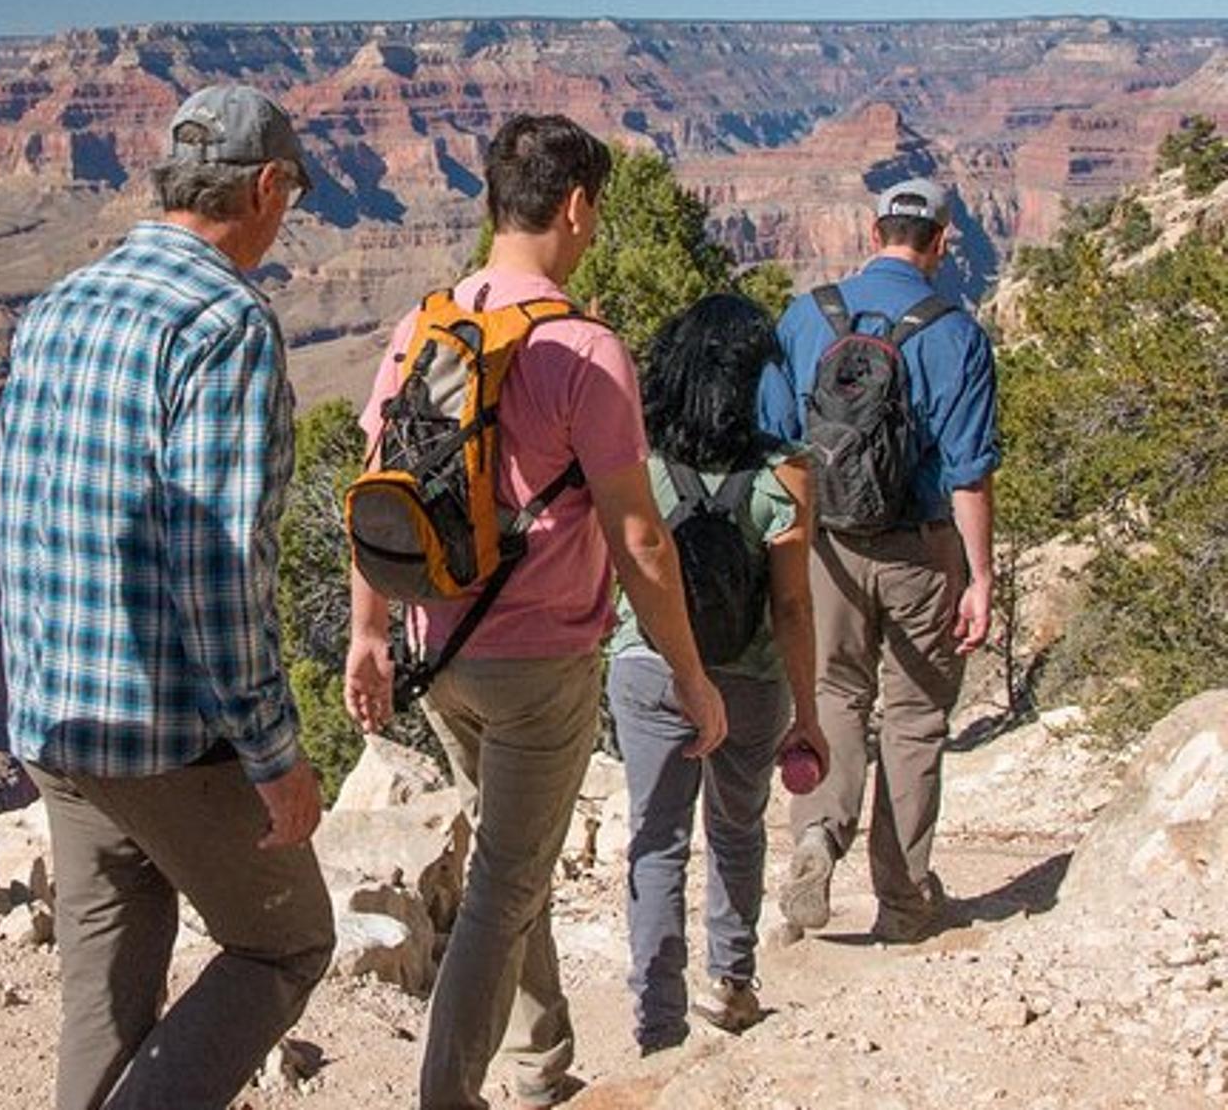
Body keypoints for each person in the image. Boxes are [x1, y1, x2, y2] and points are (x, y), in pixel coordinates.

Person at [345, 114, 727, 1110]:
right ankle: (448, 1093)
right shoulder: (583, 349)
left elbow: (375, 487)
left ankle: (537, 1066)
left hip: (436, 649)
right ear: (572, 205)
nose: (595, 225)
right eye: (593, 208)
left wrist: (368, 634)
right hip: (536, 670)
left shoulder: (420, 324)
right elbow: (639, 537)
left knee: (512, 861)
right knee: (503, 886)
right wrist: (690, 676)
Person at [0, 84, 334, 1110]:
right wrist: (274, 755)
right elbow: (219, 565)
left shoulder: (59, 302)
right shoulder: (224, 322)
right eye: (293, 196)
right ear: (266, 186)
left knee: (103, 993)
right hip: (163, 734)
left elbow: (23, 505)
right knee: (284, 944)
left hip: (55, 715)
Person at [758, 177, 1001, 942]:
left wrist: (782, 544)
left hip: (825, 544)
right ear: (939, 242)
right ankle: (902, 900)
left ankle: (815, 838)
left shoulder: (806, 317)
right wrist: (981, 574)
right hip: (921, 550)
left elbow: (772, 438)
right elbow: (968, 471)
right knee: (916, 716)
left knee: (830, 694)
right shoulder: (956, 334)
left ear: (873, 233)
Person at [605, 294, 830, 1054]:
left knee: (656, 841)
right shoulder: (787, 472)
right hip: (751, 674)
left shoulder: (634, 462)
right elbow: (794, 607)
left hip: (649, 669)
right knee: (737, 830)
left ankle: (657, 1023)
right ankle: (731, 981)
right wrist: (808, 712)